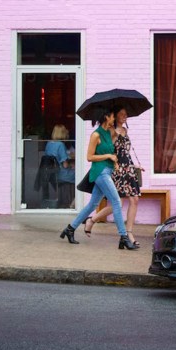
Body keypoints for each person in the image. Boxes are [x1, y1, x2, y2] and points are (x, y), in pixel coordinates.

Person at [59, 107, 137, 250]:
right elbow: (90, 157)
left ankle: (70, 229)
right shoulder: (96, 135)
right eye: (113, 116)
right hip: (100, 172)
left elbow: (115, 148)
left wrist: (116, 162)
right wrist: (108, 156)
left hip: (108, 171)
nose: (114, 119)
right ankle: (123, 237)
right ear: (106, 117)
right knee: (116, 202)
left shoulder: (109, 132)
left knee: (92, 205)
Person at [87, 107, 143, 246]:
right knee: (118, 203)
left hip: (128, 169)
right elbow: (108, 150)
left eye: (126, 114)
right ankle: (92, 219)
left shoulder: (125, 130)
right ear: (115, 116)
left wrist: (134, 166)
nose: (125, 116)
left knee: (134, 199)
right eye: (122, 114)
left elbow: (126, 153)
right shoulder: (111, 132)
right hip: (117, 169)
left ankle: (129, 233)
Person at [44, 124, 76, 208]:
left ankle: (68, 201)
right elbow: (65, 165)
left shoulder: (49, 144)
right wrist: (72, 165)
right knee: (79, 174)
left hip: (51, 173)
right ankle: (74, 202)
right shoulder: (60, 145)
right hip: (61, 174)